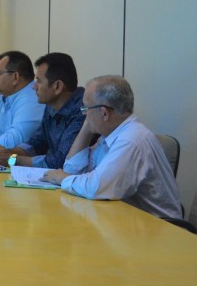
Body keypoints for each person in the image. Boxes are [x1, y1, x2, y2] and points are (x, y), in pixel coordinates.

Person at [41, 75, 182, 220]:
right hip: (129, 220)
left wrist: (62, 178)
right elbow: (72, 171)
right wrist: (86, 128)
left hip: (160, 227)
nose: (84, 114)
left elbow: (96, 188)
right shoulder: (110, 135)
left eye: (86, 108)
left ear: (104, 113)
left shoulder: (131, 140)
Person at [0, 52, 85, 168]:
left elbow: (59, 161)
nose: (34, 86)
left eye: (39, 81)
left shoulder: (82, 110)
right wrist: (4, 152)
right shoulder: (51, 105)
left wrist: (12, 159)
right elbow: (36, 144)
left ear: (57, 86)